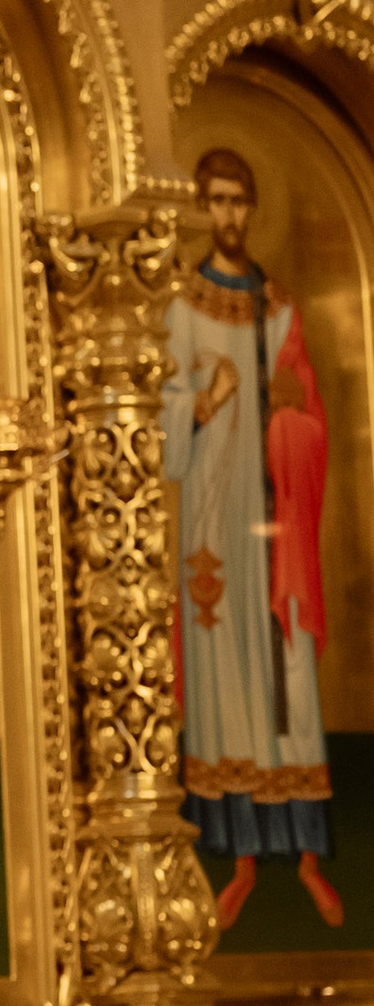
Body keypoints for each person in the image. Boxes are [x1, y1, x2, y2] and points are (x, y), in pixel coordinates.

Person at [163, 146, 341, 931]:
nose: (229, 216)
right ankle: (233, 859)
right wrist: (204, 401)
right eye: (217, 201)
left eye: (241, 201)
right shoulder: (179, 305)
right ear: (202, 208)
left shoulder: (280, 308)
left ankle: (304, 857)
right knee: (222, 672)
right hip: (211, 524)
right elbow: (160, 419)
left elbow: (313, 418)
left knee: (287, 673)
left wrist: (288, 417)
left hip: (277, 527)